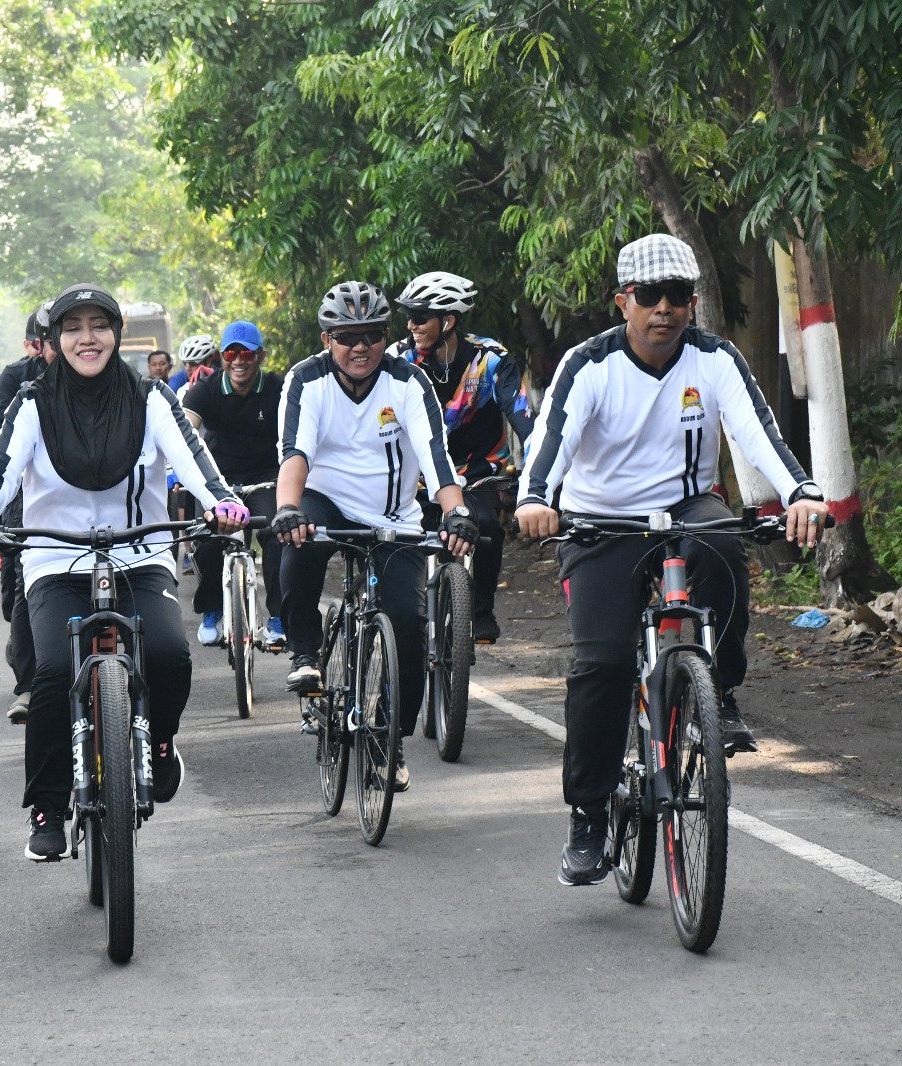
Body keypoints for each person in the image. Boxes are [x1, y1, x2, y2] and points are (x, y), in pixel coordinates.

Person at [516, 233, 828, 887]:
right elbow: (552, 441)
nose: (666, 309)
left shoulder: (714, 360)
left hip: (688, 509)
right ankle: (590, 814)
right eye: (651, 297)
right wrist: (536, 499)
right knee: (600, 666)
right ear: (623, 302)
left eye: (680, 296)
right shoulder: (590, 365)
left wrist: (801, 491)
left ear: (692, 303)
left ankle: (722, 693)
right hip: (601, 523)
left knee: (722, 545)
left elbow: (757, 431)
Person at [0, 284, 248, 861]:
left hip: (141, 553)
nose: (86, 338)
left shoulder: (152, 397)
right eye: (73, 328)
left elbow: (194, 462)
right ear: (55, 340)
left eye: (98, 326)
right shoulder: (34, 402)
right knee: (50, 670)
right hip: (56, 557)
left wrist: (222, 503)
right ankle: (46, 805)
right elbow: (1, 470)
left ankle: (159, 743)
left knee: (167, 654)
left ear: (116, 336)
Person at [271, 281, 477, 794]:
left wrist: (456, 513)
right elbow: (295, 453)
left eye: (371, 336)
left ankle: (392, 737)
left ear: (385, 338)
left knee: (407, 623)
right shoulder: (306, 381)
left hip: (393, 516)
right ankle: (304, 653)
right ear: (327, 340)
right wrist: (287, 509)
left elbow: (436, 457)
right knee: (300, 546)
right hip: (325, 500)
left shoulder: (409, 383)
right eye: (346, 337)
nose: (359, 347)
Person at [391, 271, 535, 644]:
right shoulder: (398, 360)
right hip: (419, 476)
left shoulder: (492, 360)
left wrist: (538, 477)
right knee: (406, 538)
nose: (411, 325)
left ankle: (481, 608)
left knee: (486, 525)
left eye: (420, 317)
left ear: (448, 321)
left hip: (478, 470)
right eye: (408, 317)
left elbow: (525, 422)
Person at [182, 320, 285, 648]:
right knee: (211, 538)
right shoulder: (206, 390)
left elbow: (298, 431)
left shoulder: (278, 389)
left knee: (277, 533)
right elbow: (184, 433)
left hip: (266, 478)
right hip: (218, 480)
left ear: (261, 356)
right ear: (220, 356)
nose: (238, 360)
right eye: (231, 352)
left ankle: (279, 618)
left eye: (247, 353)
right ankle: (211, 610)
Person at [0, 304, 58, 724]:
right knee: (22, 581)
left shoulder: (107, 377)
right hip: (24, 493)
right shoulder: (17, 380)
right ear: (37, 346)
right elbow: (3, 441)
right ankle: (30, 681)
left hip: (86, 497)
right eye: (49, 341)